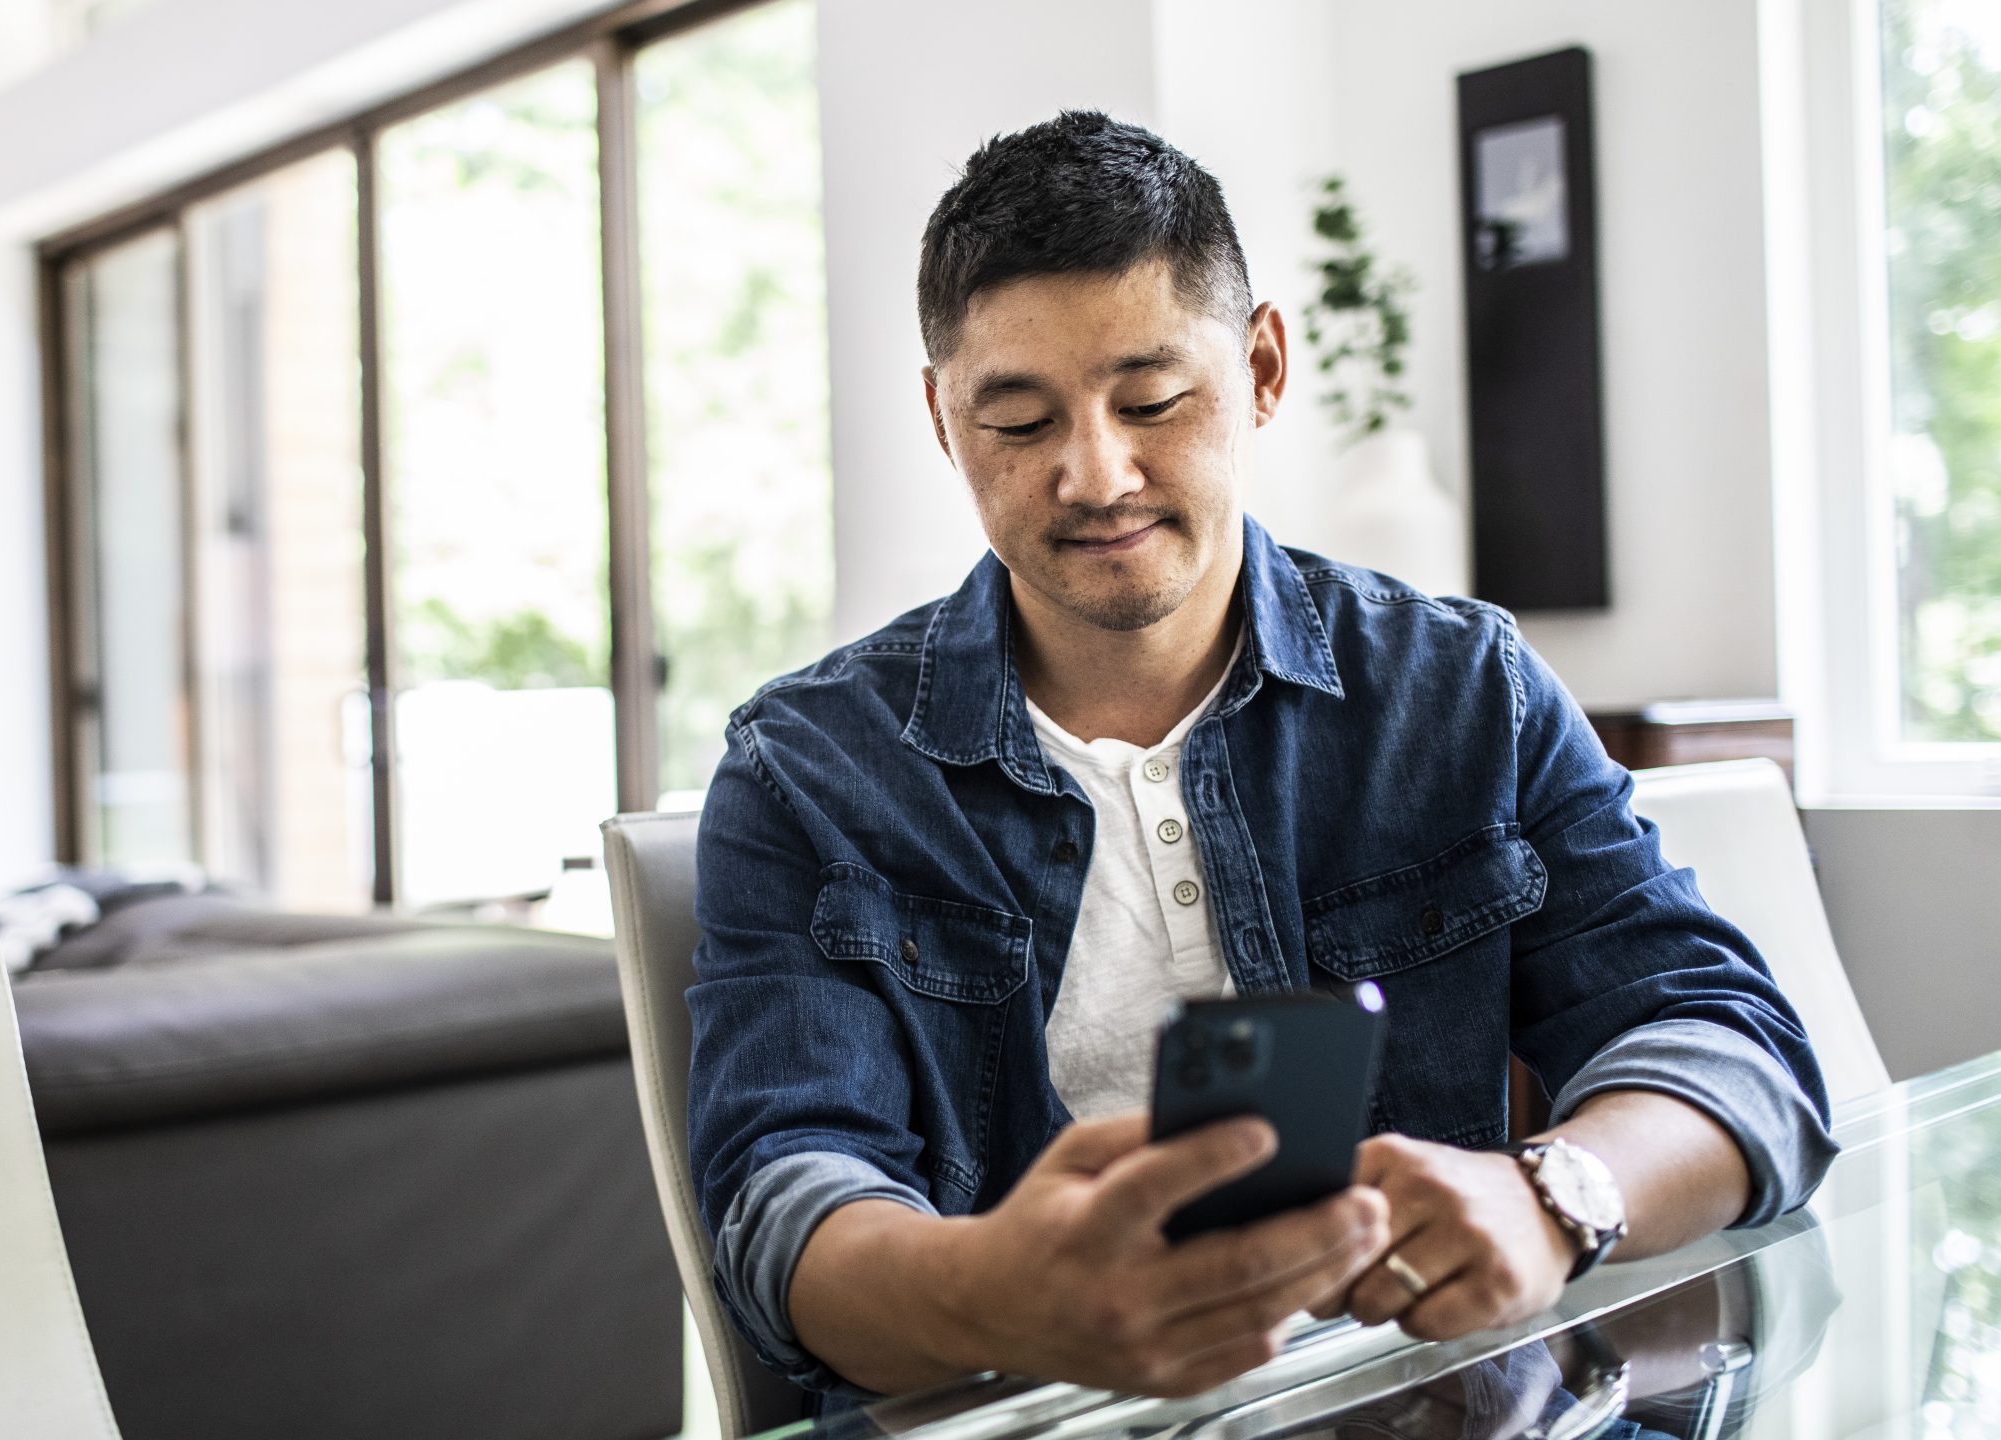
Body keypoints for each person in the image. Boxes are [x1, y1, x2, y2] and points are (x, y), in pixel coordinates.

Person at [685, 110, 1834, 1415]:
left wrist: (1550, 1198)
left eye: (1153, 401)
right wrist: (992, 1289)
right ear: (945, 424)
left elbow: (1732, 1046)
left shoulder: (1462, 690)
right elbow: (781, 1203)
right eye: (1016, 421)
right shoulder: (808, 770)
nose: (1095, 473)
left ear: (1266, 367)